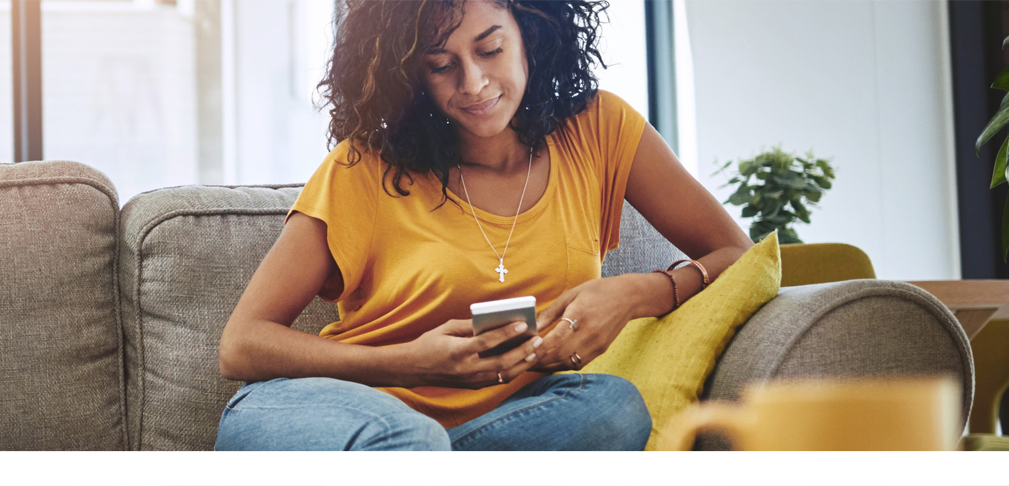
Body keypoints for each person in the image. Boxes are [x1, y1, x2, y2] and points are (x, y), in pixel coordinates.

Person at [214, 0, 754, 451]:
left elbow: (738, 255)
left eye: (490, 49)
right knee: (409, 439)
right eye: (440, 64)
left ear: (531, 30)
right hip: (341, 413)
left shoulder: (599, 130)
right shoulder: (364, 166)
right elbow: (241, 344)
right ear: (411, 74)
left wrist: (640, 293)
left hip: (503, 426)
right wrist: (409, 363)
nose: (473, 83)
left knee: (613, 408)